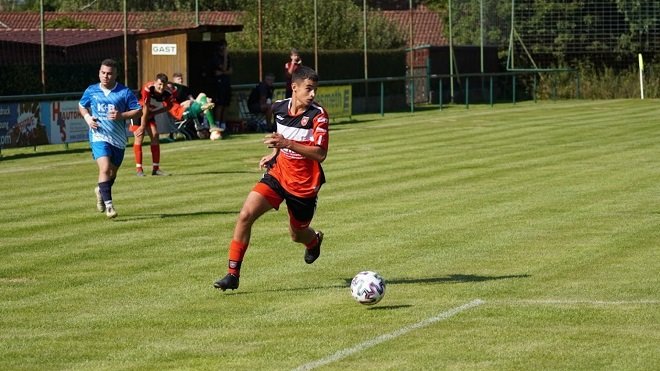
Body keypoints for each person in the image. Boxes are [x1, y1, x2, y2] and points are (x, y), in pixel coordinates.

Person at [214, 66, 329, 291]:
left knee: (297, 234)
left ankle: (313, 241)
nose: (313, 94)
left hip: (303, 185)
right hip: (278, 174)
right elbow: (281, 137)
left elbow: (320, 153)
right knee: (245, 215)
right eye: (309, 89)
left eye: (315, 89)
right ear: (294, 88)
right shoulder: (278, 108)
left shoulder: (318, 115)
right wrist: (275, 153)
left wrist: (286, 144)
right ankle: (232, 274)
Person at [79, 58, 142, 219]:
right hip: (98, 136)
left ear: (116, 75)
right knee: (105, 168)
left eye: (109, 73)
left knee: (112, 173)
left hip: (118, 140)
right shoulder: (92, 90)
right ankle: (109, 207)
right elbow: (82, 105)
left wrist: (121, 115)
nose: (105, 76)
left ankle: (101, 191)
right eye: (103, 73)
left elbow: (138, 111)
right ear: (99, 72)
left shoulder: (124, 92)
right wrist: (88, 118)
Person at [131, 73, 179, 176]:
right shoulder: (147, 88)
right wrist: (143, 126)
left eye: (164, 85)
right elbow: (145, 107)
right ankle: (139, 169)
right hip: (137, 111)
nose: (161, 87)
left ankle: (156, 169)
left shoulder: (168, 93)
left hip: (148, 112)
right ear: (155, 82)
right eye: (159, 84)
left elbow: (169, 106)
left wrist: (154, 113)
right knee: (139, 136)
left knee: (155, 135)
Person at [210, 40, 232, 129]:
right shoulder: (216, 57)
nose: (224, 48)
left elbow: (230, 71)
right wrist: (225, 58)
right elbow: (224, 68)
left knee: (226, 104)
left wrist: (224, 72)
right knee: (220, 104)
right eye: (222, 46)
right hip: (219, 83)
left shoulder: (228, 57)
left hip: (226, 83)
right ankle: (218, 123)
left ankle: (223, 124)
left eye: (225, 46)